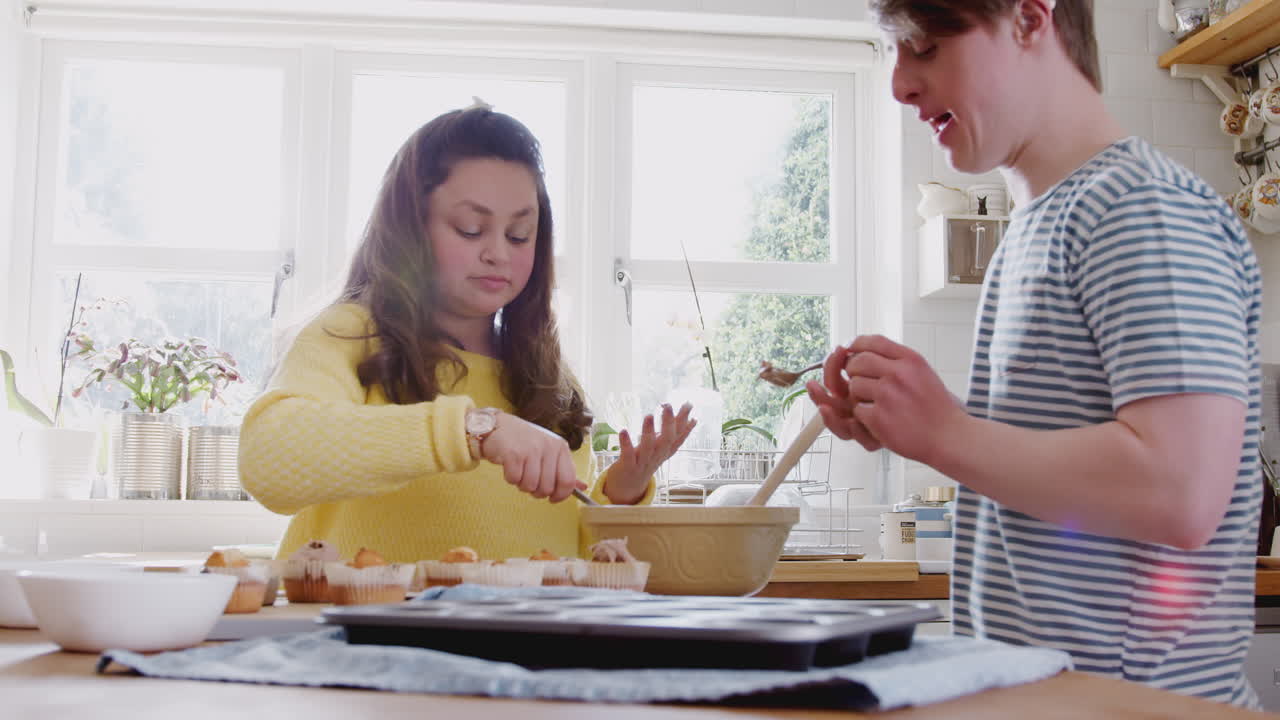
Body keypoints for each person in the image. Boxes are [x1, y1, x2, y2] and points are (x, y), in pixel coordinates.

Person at [805, 0, 1262, 707]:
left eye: (923, 46)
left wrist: (949, 435)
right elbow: (1077, 461)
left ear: (1028, 18)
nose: (899, 84)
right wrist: (923, 426)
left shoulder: (1141, 209)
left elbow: (1180, 491)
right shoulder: (1040, 225)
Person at [239, 102, 695, 563]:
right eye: (470, 228)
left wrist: (622, 493)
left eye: (519, 235)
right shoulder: (350, 337)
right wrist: (477, 429)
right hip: (366, 636)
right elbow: (268, 459)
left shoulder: (549, 380)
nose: (498, 252)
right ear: (410, 230)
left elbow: (568, 555)